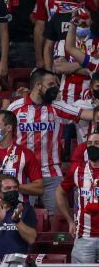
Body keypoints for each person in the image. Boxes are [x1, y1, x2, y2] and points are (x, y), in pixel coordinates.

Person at [9, 68, 96, 212]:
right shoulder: (15, 108)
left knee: (57, 217)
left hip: (51, 173)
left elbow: (88, 114)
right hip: (23, 173)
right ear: (38, 86)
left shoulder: (57, 106)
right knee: (21, 216)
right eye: (51, 84)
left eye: (56, 84)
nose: (55, 88)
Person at [57, 132, 99, 267]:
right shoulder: (77, 170)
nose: (92, 147)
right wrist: (70, 221)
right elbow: (60, 192)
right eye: (89, 144)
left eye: (97, 143)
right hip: (84, 237)